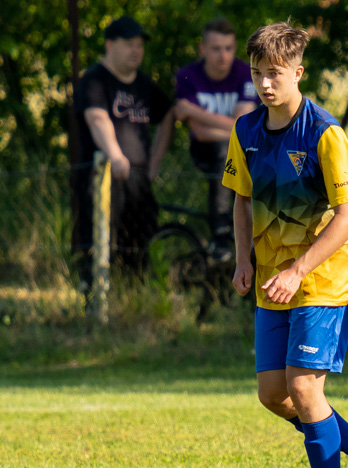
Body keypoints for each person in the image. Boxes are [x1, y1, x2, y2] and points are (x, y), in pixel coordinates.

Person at [223, 20, 348, 468]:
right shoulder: (246, 131)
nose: (265, 84)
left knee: (305, 389)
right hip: (275, 279)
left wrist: (299, 269)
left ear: (299, 72)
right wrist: (244, 259)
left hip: (322, 280)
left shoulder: (324, 133)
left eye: (275, 73)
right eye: (257, 74)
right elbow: (242, 200)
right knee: (273, 394)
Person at [71, 16, 173, 292]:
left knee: (138, 243)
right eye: (129, 44)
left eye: (139, 45)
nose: (136, 50)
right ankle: (92, 293)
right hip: (101, 176)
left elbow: (169, 115)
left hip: (138, 180)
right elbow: (97, 119)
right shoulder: (94, 80)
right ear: (109, 45)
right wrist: (115, 155)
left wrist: (154, 162)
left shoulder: (144, 85)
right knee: (98, 239)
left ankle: (132, 297)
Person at [175, 18, 258, 261]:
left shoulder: (246, 73)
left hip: (247, 150)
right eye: (216, 49)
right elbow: (200, 133)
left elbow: (240, 124)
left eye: (229, 48)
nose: (224, 56)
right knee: (225, 150)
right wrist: (232, 129)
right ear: (202, 49)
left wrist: (193, 111)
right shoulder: (187, 76)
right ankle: (220, 234)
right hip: (206, 150)